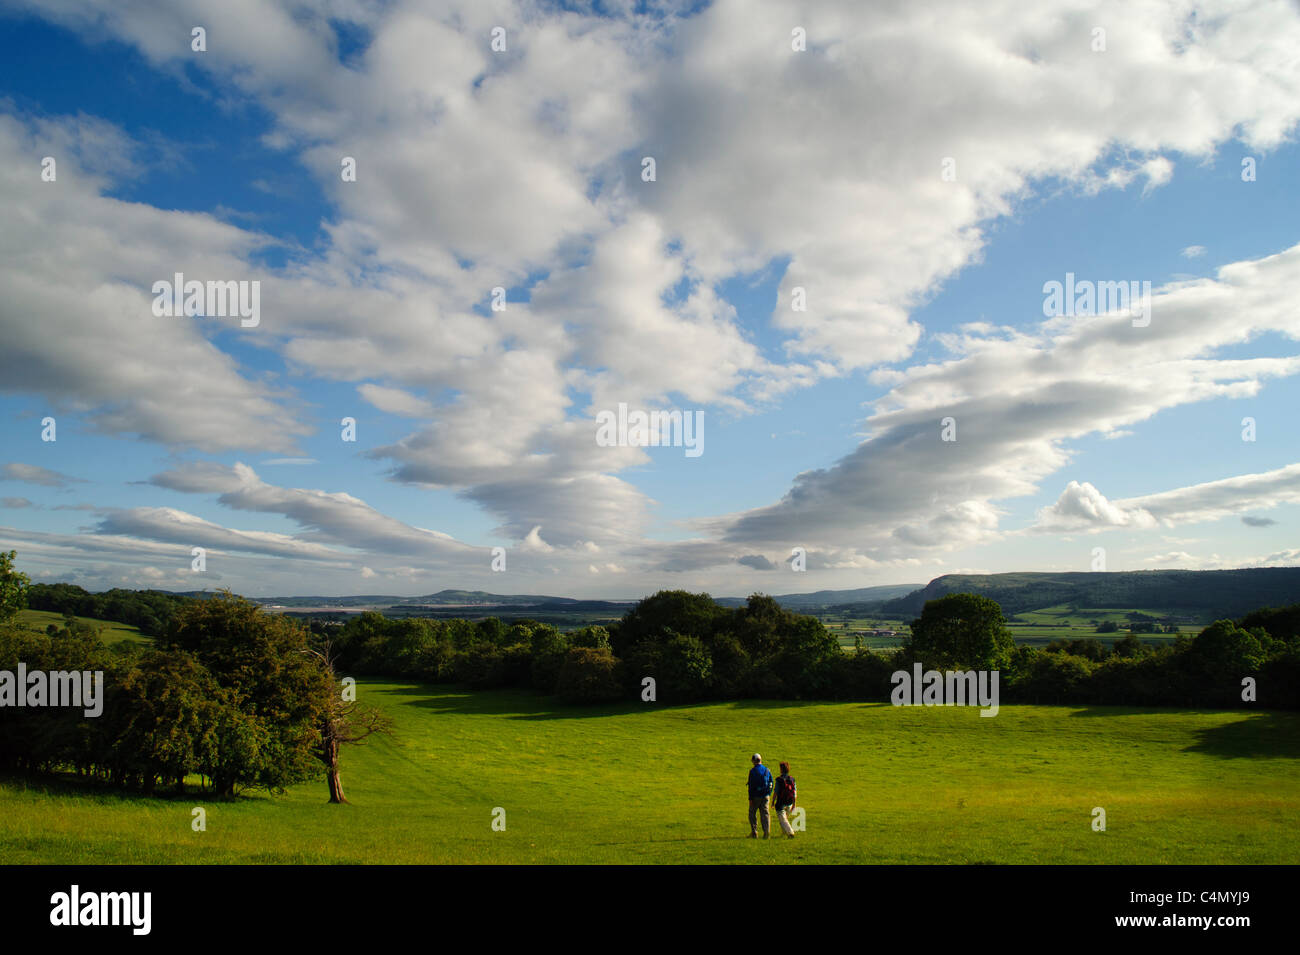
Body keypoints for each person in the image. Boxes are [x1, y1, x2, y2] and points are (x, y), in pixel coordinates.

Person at [747, 753, 773, 838]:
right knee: (765, 814)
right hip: (765, 796)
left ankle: (754, 832)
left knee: (752, 813)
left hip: (755, 796)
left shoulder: (753, 771)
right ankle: (767, 833)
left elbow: (751, 786)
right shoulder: (767, 770)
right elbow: (771, 782)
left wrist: (750, 798)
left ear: (754, 761)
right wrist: (769, 794)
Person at [773, 761, 797, 838]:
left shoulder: (779, 780)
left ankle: (790, 832)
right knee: (784, 819)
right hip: (789, 802)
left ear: (781, 770)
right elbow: (794, 793)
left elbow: (776, 792)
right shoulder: (792, 779)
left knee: (783, 819)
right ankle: (784, 833)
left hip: (781, 803)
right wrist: (794, 804)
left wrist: (773, 801)